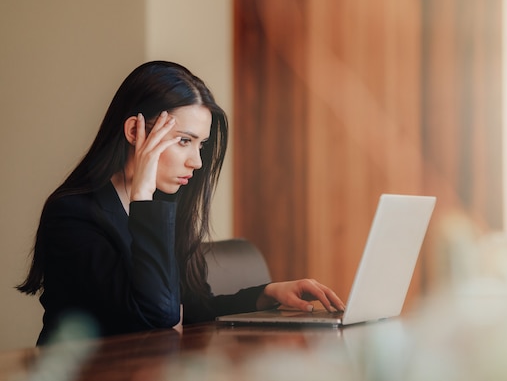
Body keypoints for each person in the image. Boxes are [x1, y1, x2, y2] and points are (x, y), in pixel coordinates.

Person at [16, 61, 345, 345]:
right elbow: (161, 314)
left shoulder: (162, 206)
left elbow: (190, 306)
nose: (196, 162)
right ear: (135, 130)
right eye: (184, 141)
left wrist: (266, 294)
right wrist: (143, 198)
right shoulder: (72, 216)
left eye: (199, 145)